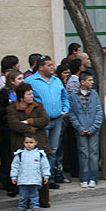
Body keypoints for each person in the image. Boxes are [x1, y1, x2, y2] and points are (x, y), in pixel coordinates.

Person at [25, 56, 70, 187]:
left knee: (53, 150)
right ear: (40, 67)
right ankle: (38, 178)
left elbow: (64, 98)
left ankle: (49, 178)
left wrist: (65, 109)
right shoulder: (30, 80)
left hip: (57, 120)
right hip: (41, 122)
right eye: (49, 65)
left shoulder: (56, 80)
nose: (52, 67)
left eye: (52, 64)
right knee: (41, 150)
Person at [6, 82, 51, 208]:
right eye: (29, 94)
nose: (32, 96)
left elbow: (45, 120)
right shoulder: (12, 108)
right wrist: (32, 128)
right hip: (21, 145)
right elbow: (15, 125)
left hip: (40, 143)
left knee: (40, 170)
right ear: (22, 96)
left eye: (32, 93)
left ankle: (43, 199)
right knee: (24, 172)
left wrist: (28, 121)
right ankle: (26, 201)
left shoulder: (38, 106)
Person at [68, 71, 103, 189]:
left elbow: (99, 111)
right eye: (89, 80)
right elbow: (71, 113)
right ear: (82, 82)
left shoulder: (94, 94)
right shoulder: (73, 95)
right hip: (81, 129)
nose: (92, 82)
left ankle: (93, 177)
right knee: (83, 154)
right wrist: (80, 128)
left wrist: (94, 127)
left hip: (93, 129)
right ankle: (84, 178)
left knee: (93, 153)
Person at [0, 69, 25, 196]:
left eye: (23, 78)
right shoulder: (5, 93)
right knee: (9, 158)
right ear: (11, 81)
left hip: (22, 128)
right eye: (19, 79)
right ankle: (9, 185)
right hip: (7, 130)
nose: (22, 81)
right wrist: (10, 110)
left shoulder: (24, 92)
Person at [10, 134, 50, 211]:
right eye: (26, 142)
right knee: (23, 195)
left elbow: (45, 166)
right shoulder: (20, 154)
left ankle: (35, 206)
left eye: (31, 142)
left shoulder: (40, 154)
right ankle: (22, 206)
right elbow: (15, 166)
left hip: (34, 179)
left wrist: (46, 175)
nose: (28, 144)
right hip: (23, 179)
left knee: (34, 194)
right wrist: (14, 176)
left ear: (36, 143)